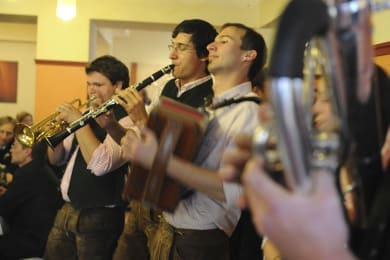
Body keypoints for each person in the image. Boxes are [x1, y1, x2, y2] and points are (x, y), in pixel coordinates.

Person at [120, 23, 267, 259]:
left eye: (225, 40)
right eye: (214, 40)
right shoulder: (211, 106)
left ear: (248, 55)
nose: (211, 45)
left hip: (200, 239)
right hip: (169, 227)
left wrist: (159, 158)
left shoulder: (250, 112)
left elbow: (229, 189)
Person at [110, 19, 217, 260]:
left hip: (171, 209)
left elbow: (176, 156)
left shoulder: (210, 96)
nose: (172, 55)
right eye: (172, 46)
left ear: (203, 54)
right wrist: (108, 123)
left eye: (181, 48)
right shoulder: (170, 87)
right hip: (142, 200)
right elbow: (144, 142)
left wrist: (140, 118)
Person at [44, 55, 133, 259]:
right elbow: (55, 159)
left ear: (117, 86)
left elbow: (101, 164)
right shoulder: (86, 114)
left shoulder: (127, 119)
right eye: (89, 84)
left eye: (98, 84)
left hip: (99, 216)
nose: (91, 90)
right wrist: (55, 134)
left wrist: (78, 121)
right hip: (67, 210)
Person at [0, 138, 61, 259]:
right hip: (41, 237)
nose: (11, 150)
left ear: (27, 151)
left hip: (32, 242)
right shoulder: (40, 168)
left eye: (14, 146)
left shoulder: (26, 174)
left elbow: (3, 208)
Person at [0, 116, 18, 195]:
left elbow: (10, 177)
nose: (4, 137)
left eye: (9, 133)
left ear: (14, 134)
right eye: (1, 131)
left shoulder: (15, 150)